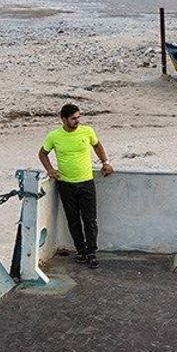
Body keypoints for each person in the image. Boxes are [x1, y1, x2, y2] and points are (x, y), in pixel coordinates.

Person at [39, 104, 113, 269]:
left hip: (86, 182)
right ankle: (81, 251)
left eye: (78, 117)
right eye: (73, 118)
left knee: (90, 219)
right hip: (65, 184)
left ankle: (91, 252)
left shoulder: (87, 131)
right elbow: (42, 153)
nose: (77, 121)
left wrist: (105, 162)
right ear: (64, 119)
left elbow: (97, 145)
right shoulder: (54, 136)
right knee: (73, 220)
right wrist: (50, 169)